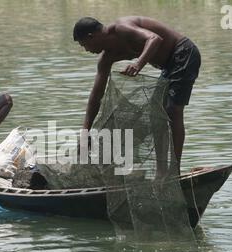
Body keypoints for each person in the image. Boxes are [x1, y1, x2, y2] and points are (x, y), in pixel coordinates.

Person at [73, 16, 201, 174]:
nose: (86, 50)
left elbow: (154, 39)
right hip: (168, 66)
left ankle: (174, 171)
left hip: (183, 53)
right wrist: (85, 131)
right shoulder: (106, 58)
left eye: (84, 45)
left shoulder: (121, 28)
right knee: (157, 115)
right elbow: (96, 96)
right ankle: (161, 173)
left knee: (173, 110)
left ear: (91, 36)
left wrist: (138, 64)